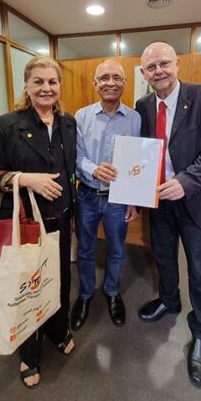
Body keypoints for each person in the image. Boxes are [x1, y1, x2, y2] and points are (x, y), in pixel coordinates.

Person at [135, 42, 201, 388]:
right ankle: (169, 301)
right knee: (163, 257)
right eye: (151, 67)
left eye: (164, 63)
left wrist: (185, 182)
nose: (158, 71)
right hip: (159, 200)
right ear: (144, 73)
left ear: (177, 63)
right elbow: (142, 152)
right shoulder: (143, 106)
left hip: (197, 200)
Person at [0, 57, 77, 389]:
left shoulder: (68, 123)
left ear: (59, 85)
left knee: (60, 279)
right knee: (29, 286)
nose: (46, 88)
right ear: (26, 85)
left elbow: (69, 169)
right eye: (38, 81)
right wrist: (25, 179)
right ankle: (29, 353)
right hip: (24, 222)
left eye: (52, 81)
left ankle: (57, 329)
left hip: (61, 218)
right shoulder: (4, 125)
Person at [71, 60, 141, 330]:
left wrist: (133, 199)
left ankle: (112, 291)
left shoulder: (135, 118)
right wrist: (93, 169)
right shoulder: (81, 116)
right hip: (87, 195)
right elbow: (77, 156)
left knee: (117, 249)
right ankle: (85, 294)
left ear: (125, 83)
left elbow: (138, 161)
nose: (110, 82)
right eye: (104, 78)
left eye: (116, 78)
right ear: (95, 83)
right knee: (86, 249)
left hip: (118, 198)